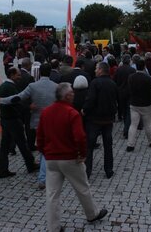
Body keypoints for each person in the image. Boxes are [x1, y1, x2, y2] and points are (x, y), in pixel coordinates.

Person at [37, 83, 108, 232]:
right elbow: (80, 137)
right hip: (69, 158)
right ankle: (92, 214)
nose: (74, 96)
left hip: (51, 159)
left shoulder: (46, 112)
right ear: (67, 96)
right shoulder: (72, 113)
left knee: (52, 194)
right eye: (72, 94)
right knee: (82, 187)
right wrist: (82, 154)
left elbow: (40, 137)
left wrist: (45, 152)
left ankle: (53, 227)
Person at [0, 63, 58, 189]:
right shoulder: (56, 87)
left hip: (37, 122)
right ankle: (44, 176)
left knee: (44, 148)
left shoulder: (32, 86)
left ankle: (45, 175)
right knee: (47, 149)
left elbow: (18, 98)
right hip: (52, 121)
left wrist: (3, 100)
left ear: (39, 72)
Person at [0, 67, 38, 177]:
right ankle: (30, 164)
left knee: (5, 146)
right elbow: (17, 102)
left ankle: (3, 168)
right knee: (22, 144)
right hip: (13, 120)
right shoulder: (10, 87)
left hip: (4, 119)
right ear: (12, 75)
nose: (20, 77)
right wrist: (29, 107)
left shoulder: (2, 86)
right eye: (18, 75)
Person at [82, 62, 117, 179]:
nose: (95, 70)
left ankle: (87, 171)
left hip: (94, 120)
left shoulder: (95, 83)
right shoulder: (112, 83)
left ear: (101, 70)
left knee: (89, 146)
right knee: (108, 146)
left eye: (96, 68)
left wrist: (84, 110)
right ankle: (109, 170)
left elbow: (90, 100)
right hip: (108, 120)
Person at [126, 59, 151, 152]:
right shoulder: (147, 78)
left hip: (134, 103)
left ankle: (130, 145)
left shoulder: (131, 77)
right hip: (146, 104)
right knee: (148, 124)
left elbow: (129, 90)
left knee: (133, 125)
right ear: (144, 66)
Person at [114, 54, 136, 138]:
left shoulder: (118, 70)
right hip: (130, 93)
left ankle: (126, 128)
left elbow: (115, 81)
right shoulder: (132, 70)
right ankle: (126, 130)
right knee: (128, 112)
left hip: (120, 93)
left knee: (124, 111)